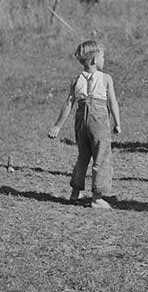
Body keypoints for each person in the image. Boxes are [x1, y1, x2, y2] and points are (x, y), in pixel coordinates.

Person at [48, 40, 121, 209]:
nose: (104, 59)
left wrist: (57, 125)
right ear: (95, 60)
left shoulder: (76, 80)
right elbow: (112, 102)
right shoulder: (106, 78)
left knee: (83, 156)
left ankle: (76, 192)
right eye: (103, 56)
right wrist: (117, 123)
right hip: (98, 120)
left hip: (81, 120)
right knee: (101, 157)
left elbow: (68, 103)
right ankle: (97, 197)